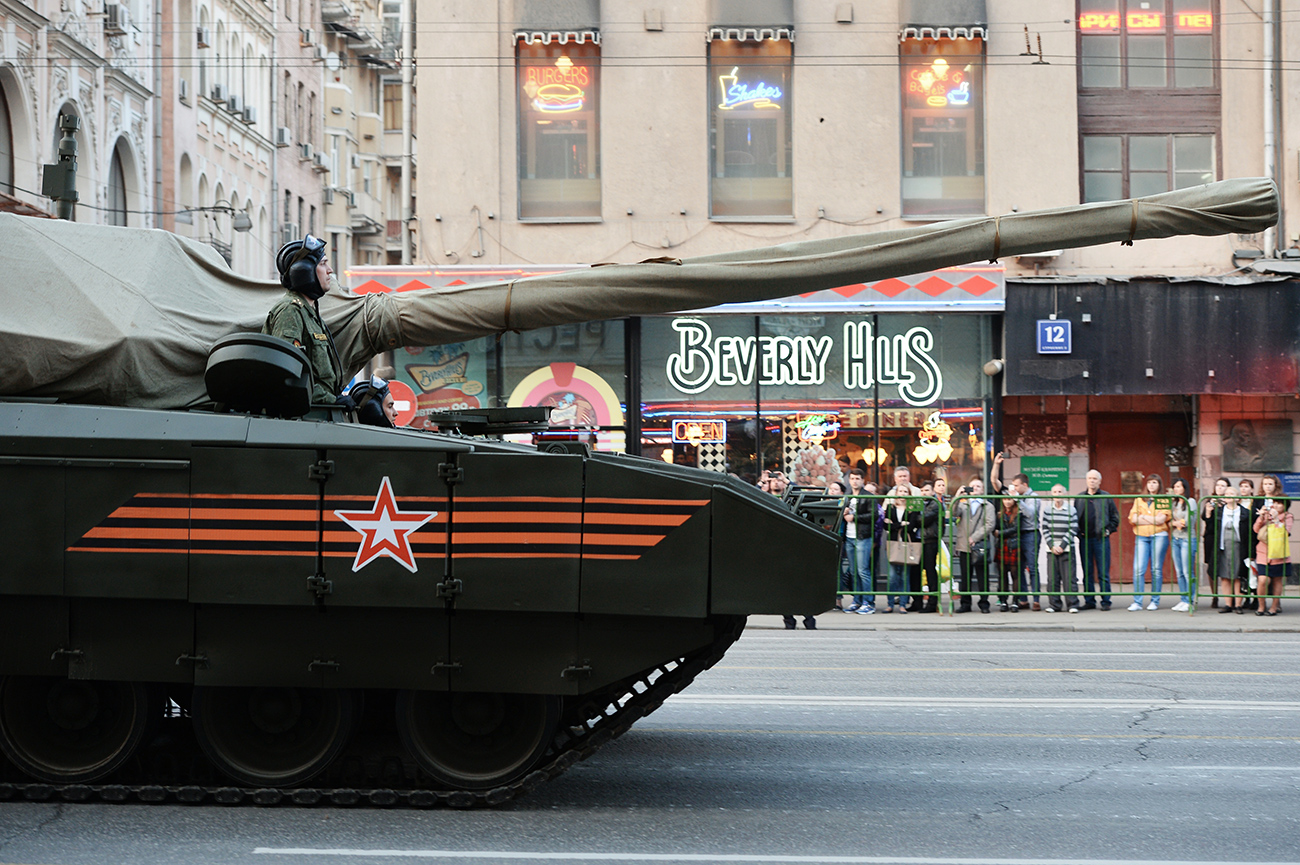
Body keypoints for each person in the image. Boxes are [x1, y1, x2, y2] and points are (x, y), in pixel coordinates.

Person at [264, 235, 345, 407]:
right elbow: (287, 376)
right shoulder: (290, 311)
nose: (330, 270)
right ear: (304, 271)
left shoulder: (310, 313)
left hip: (316, 414)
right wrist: (332, 400)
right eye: (323, 264)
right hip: (301, 418)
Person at [992, 455, 1041, 610]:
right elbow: (995, 482)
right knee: (1018, 568)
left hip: (1030, 533)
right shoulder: (1014, 494)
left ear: (1025, 485)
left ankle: (1036, 599)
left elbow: (1031, 514)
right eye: (1012, 485)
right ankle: (1022, 599)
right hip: (1016, 536)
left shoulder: (1033, 497)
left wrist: (1017, 499)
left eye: (1016, 485)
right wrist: (996, 464)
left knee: (1032, 568)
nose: (1013, 488)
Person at [1203, 479, 1250, 614]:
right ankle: (1228, 604)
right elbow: (1211, 528)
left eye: (1232, 493)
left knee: (1237, 576)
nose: (1228, 495)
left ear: (1237, 497)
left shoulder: (1244, 512)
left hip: (1238, 547)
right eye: (1226, 493)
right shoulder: (1219, 511)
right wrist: (1208, 514)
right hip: (1223, 547)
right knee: (1225, 576)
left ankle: (1238, 604)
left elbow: (1248, 532)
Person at [1076, 469, 1120, 611]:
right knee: (1087, 571)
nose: (1092, 480)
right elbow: (1074, 517)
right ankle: (1089, 601)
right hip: (1085, 539)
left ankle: (1106, 600)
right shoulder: (1080, 497)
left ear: (1099, 481)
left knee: (1103, 571)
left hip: (1101, 539)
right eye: (1090, 478)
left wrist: (1108, 530)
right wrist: (1078, 533)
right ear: (1086, 480)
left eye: (1095, 478)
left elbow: (1115, 517)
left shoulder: (1106, 497)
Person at [952, 478, 996, 613]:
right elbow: (953, 514)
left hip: (980, 545)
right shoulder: (963, 504)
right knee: (965, 576)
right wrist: (957, 497)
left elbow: (990, 524)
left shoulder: (988, 505)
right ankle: (965, 603)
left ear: (982, 489)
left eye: (978, 486)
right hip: (964, 545)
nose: (975, 488)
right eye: (972, 486)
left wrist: (975, 537)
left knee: (982, 576)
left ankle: (984, 603)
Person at [1128, 473, 1170, 610]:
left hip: (1159, 535)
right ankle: (1137, 602)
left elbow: (1161, 520)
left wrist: (1143, 517)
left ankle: (1155, 600)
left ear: (1159, 485)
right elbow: (1133, 519)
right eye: (1150, 482)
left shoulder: (1164, 499)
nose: (1152, 485)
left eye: (1155, 483)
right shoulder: (1140, 499)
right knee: (1138, 569)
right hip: (1141, 536)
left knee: (1156, 569)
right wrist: (1151, 518)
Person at [1040, 484, 1079, 612]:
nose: (1057, 494)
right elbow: (1044, 528)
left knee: (1069, 578)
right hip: (1051, 549)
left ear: (1064, 494)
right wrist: (1052, 545)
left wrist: (1062, 546)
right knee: (1052, 578)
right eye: (1055, 492)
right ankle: (1054, 605)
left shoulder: (1071, 510)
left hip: (1067, 548)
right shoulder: (1047, 510)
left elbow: (1073, 528)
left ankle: (1072, 604)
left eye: (1060, 492)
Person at [842, 469, 876, 614]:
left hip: (862, 536)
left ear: (863, 480)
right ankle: (857, 600)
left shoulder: (868, 496)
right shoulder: (847, 496)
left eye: (857, 478)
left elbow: (873, 514)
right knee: (854, 571)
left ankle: (868, 602)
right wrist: (843, 512)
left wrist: (854, 517)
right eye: (852, 478)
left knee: (863, 571)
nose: (855, 481)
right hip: (849, 536)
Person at [883, 487, 921, 613]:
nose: (903, 494)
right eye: (901, 491)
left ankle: (903, 604)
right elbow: (885, 525)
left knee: (905, 576)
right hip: (893, 543)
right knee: (892, 576)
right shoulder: (890, 508)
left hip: (907, 544)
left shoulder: (912, 509)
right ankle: (890, 604)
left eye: (906, 492)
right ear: (896, 493)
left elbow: (911, 526)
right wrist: (900, 524)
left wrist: (894, 524)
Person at [1252, 495, 1292, 616]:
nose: (1276, 505)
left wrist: (1276, 520)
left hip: (1278, 553)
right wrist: (1261, 516)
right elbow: (1256, 529)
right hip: (1263, 552)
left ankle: (1274, 607)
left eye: (1280, 503)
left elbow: (1285, 532)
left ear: (1285, 506)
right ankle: (1261, 606)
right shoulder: (1267, 513)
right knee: (1263, 579)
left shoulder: (1288, 516)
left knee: (1277, 580)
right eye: (1275, 503)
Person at [917, 477, 946, 613]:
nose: (924, 493)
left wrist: (915, 517)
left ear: (932, 491)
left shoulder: (935, 503)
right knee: (917, 571)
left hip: (930, 540)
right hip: (918, 540)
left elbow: (922, 519)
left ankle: (932, 602)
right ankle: (917, 601)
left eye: (926, 490)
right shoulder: (920, 503)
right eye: (921, 490)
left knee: (930, 570)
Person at [1167, 478, 1196, 612]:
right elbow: (1168, 521)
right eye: (1175, 487)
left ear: (1185, 488)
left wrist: (1177, 523)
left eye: (1179, 486)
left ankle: (1190, 600)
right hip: (1176, 538)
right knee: (1179, 572)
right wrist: (1174, 523)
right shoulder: (1174, 503)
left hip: (1187, 539)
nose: (1177, 489)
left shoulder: (1190, 502)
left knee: (1187, 571)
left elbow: (1189, 521)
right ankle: (1183, 599)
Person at [995, 498, 1021, 612]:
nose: (1007, 501)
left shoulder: (1018, 514)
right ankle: (1003, 600)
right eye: (1005, 499)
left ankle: (1015, 601)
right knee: (1002, 574)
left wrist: (1001, 533)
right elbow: (994, 529)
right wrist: (999, 533)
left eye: (1010, 499)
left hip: (1014, 545)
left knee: (1015, 574)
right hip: (1002, 545)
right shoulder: (999, 514)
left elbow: (1016, 529)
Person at [1239, 478, 1260, 611]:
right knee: (1243, 571)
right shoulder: (1237, 501)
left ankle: (1256, 598)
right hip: (1240, 540)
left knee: (1253, 569)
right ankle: (1246, 598)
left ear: (1251, 489)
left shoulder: (1256, 502)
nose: (1244, 489)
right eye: (1241, 486)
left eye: (1246, 486)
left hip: (1253, 539)